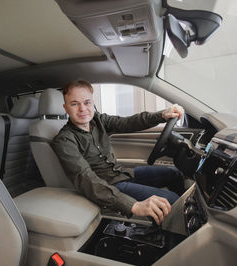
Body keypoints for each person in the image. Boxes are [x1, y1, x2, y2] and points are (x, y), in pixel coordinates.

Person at [51, 80, 185, 225]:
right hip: (110, 186)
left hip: (124, 174)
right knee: (171, 201)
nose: (83, 109)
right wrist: (133, 205)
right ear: (65, 108)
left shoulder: (98, 120)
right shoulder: (64, 140)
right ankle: (175, 225)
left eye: (87, 102)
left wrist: (162, 115)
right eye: (75, 104)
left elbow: (129, 122)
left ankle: (172, 221)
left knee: (175, 174)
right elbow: (86, 179)